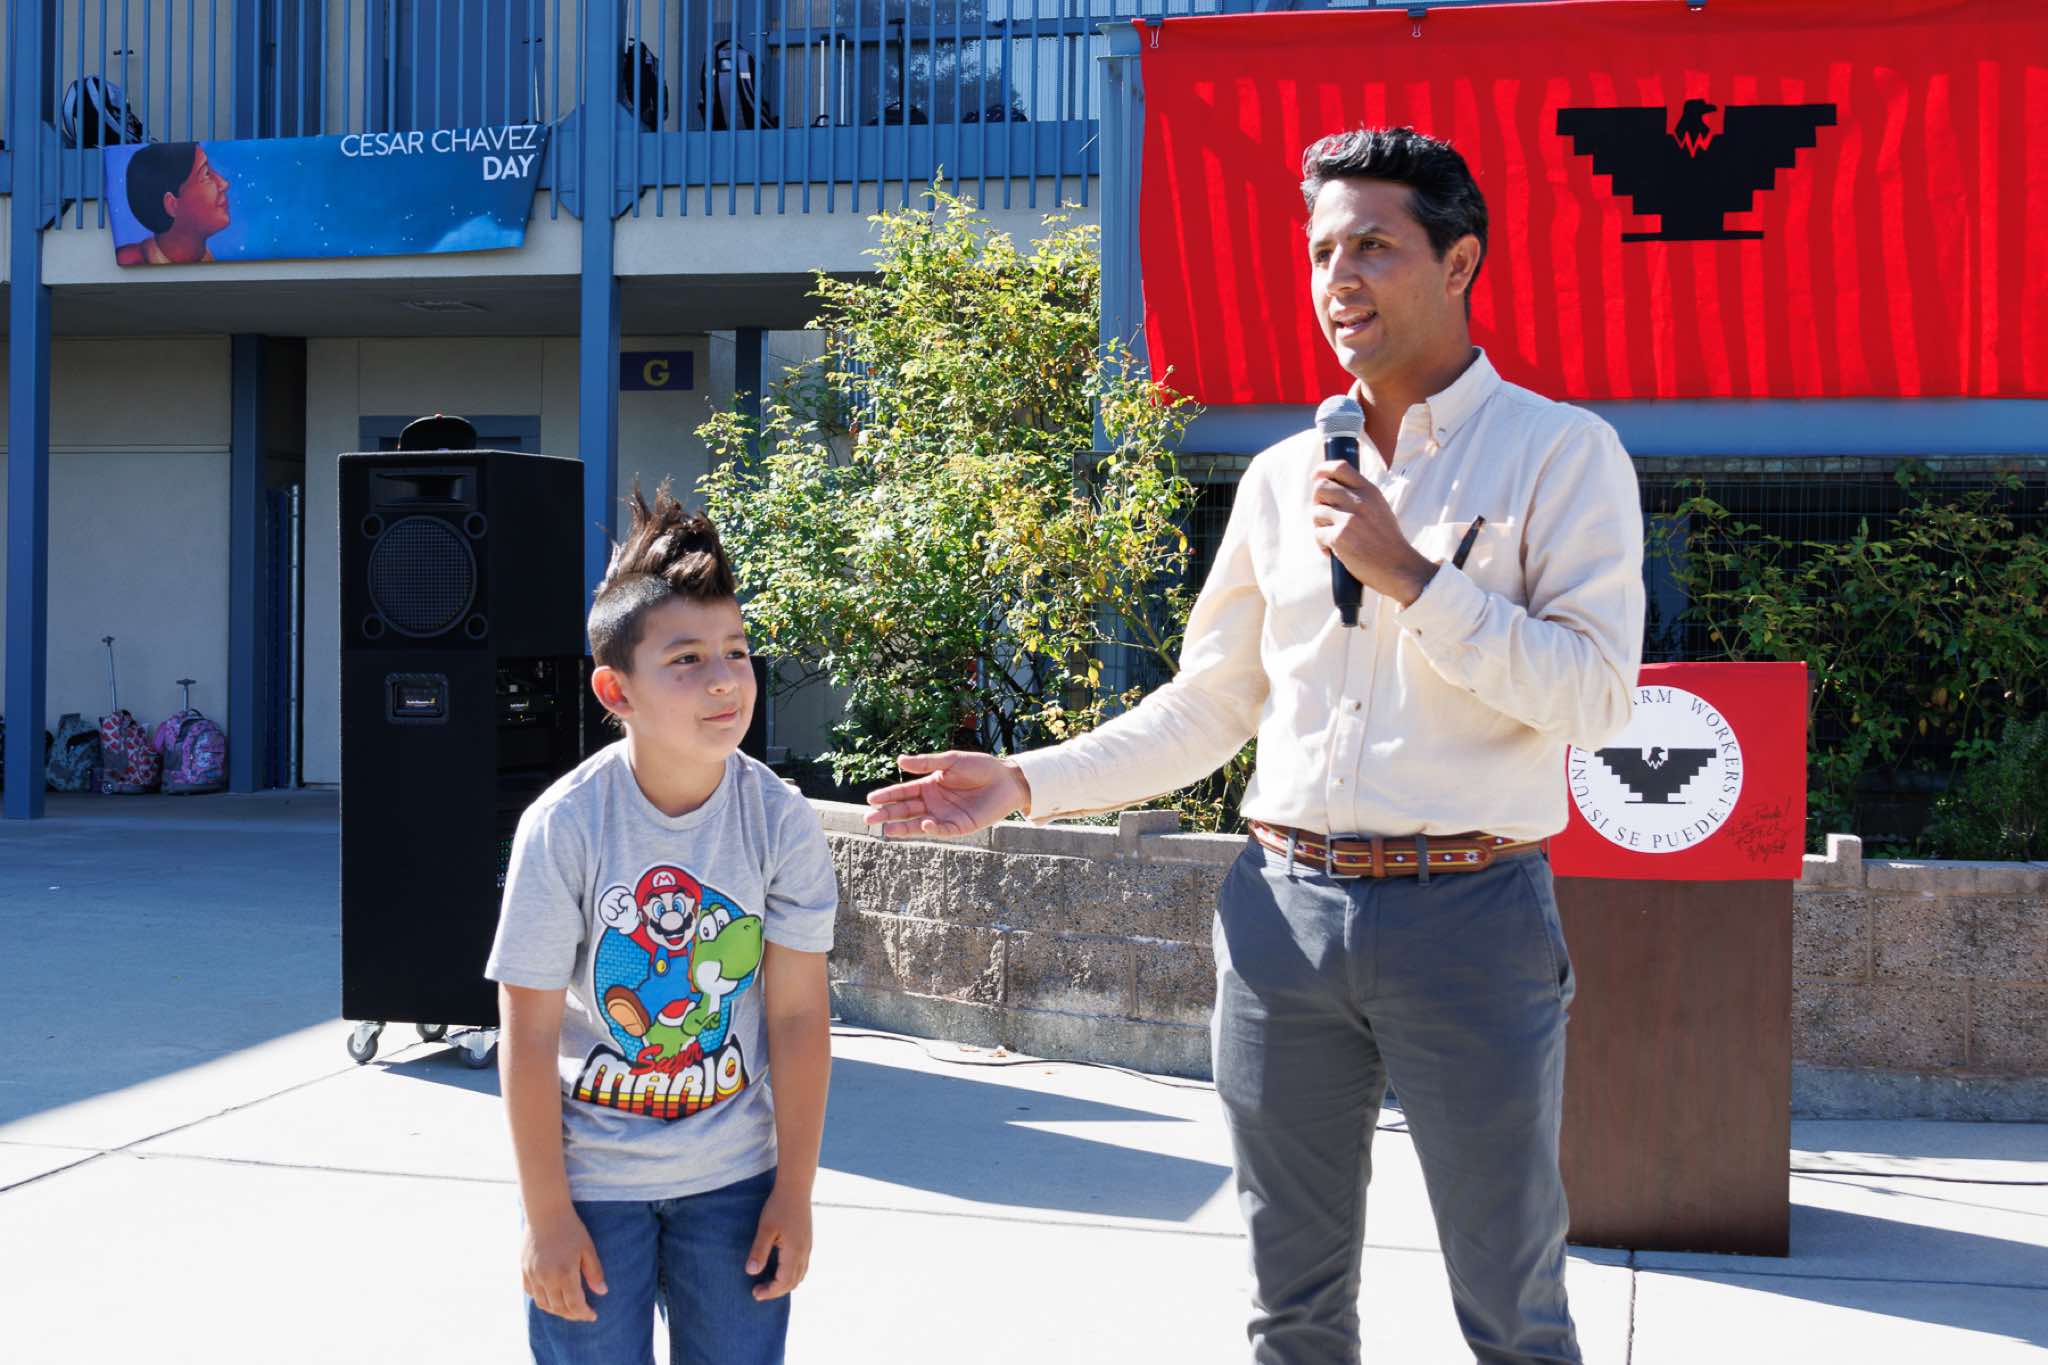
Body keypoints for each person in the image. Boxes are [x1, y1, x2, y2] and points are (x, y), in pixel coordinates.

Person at [866, 126, 1644, 1365]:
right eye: (1322, 252)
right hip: (1281, 917)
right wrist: (1021, 781)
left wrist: (1408, 575)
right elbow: (1208, 707)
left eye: (1373, 247)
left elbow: (1595, 700)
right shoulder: (1284, 477)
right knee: (1290, 1310)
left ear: (1459, 263)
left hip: (1471, 917)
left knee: (1511, 1306)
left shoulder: (1560, 453)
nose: (1339, 278)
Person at [487, 482, 836, 1365]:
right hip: (591, 1186)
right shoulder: (564, 826)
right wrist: (547, 1216)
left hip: (737, 1183)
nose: (724, 679)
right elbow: (528, 1033)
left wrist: (795, 1191)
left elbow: (799, 1015)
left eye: (737, 651)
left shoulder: (781, 821)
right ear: (618, 689)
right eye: (686, 658)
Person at [115, 141, 231, 265]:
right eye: (206, 174)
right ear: (172, 205)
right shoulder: (130, 260)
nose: (224, 184)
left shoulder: (211, 261)